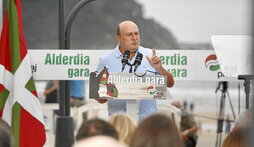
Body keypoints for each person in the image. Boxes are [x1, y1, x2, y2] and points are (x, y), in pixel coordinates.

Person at [96, 20, 174, 121]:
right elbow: (100, 99)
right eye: (129, 35)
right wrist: (110, 89)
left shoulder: (151, 55)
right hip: (120, 126)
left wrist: (160, 68)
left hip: (147, 126)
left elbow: (170, 84)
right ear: (118, 38)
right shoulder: (105, 60)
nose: (134, 38)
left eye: (136, 33)